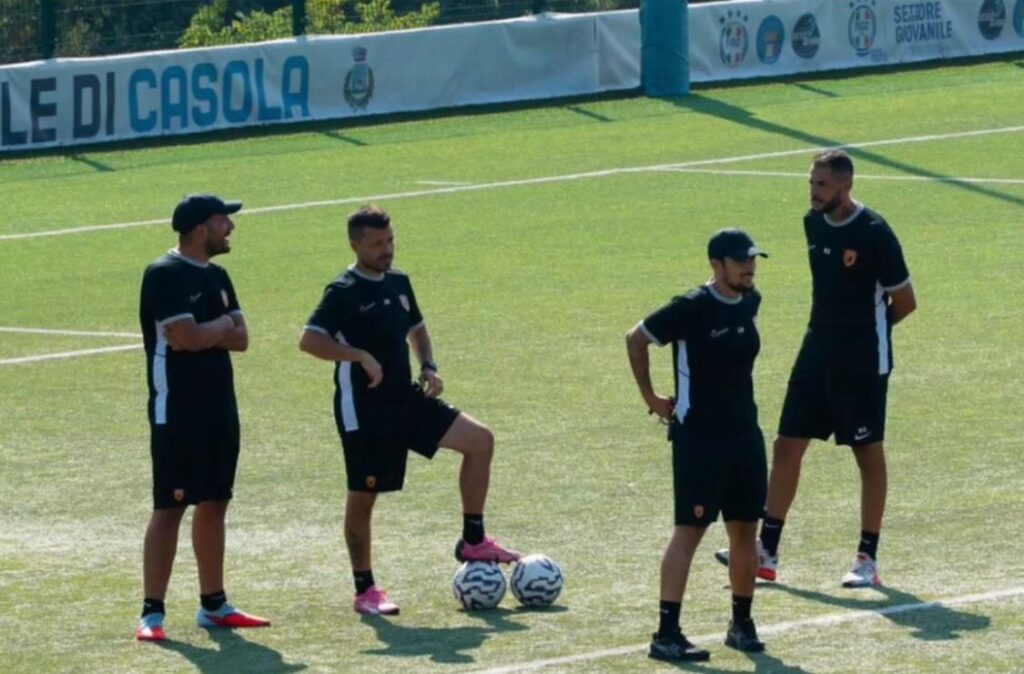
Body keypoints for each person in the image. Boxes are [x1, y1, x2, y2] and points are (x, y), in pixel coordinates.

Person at [299, 204, 519, 616]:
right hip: (365, 410)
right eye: (377, 244)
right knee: (364, 496)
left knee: (480, 441)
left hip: (407, 399)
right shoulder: (343, 291)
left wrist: (429, 366)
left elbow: (417, 328)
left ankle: (473, 539)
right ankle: (365, 589)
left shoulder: (399, 282)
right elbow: (310, 340)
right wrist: (358, 355)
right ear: (355, 245)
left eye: (390, 240)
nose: (387, 250)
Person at [716, 150, 916, 588]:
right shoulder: (814, 223)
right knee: (787, 444)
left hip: (862, 361)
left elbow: (905, 301)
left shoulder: (875, 233)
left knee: (867, 453)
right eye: (811, 183)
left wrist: (866, 335)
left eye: (822, 185)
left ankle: (867, 558)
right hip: (816, 352)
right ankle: (767, 550)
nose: (813, 192)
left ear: (846, 184)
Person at [626, 229, 770, 662]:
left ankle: (741, 625)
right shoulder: (691, 307)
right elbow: (636, 338)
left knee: (744, 529)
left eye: (752, 260)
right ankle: (666, 634)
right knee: (689, 531)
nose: (750, 267)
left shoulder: (750, 301)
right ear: (716, 265)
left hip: (745, 435)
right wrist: (651, 398)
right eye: (741, 261)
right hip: (700, 440)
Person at [135, 194, 270, 641]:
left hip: (219, 407)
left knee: (215, 501)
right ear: (200, 229)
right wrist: (219, 327)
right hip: (177, 410)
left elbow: (241, 338)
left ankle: (213, 604)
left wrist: (210, 331)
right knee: (170, 506)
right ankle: (152, 613)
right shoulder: (164, 274)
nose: (230, 227)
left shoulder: (218, 275)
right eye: (223, 221)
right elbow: (188, 338)